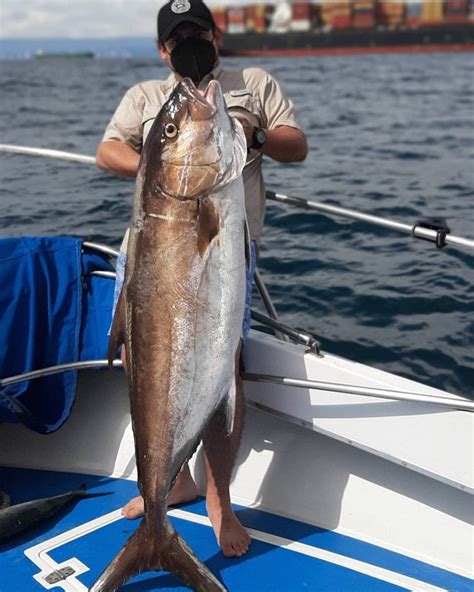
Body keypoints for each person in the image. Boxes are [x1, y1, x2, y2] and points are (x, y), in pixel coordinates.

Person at [96, 0, 308, 558]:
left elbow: (297, 144)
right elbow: (107, 150)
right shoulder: (148, 99)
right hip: (148, 255)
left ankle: (221, 501)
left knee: (221, 371)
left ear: (216, 36)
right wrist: (159, 160)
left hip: (220, 253)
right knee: (148, 369)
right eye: (178, 37)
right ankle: (166, 485)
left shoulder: (252, 83)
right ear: (163, 49)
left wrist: (254, 138)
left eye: (200, 31)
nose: (190, 43)